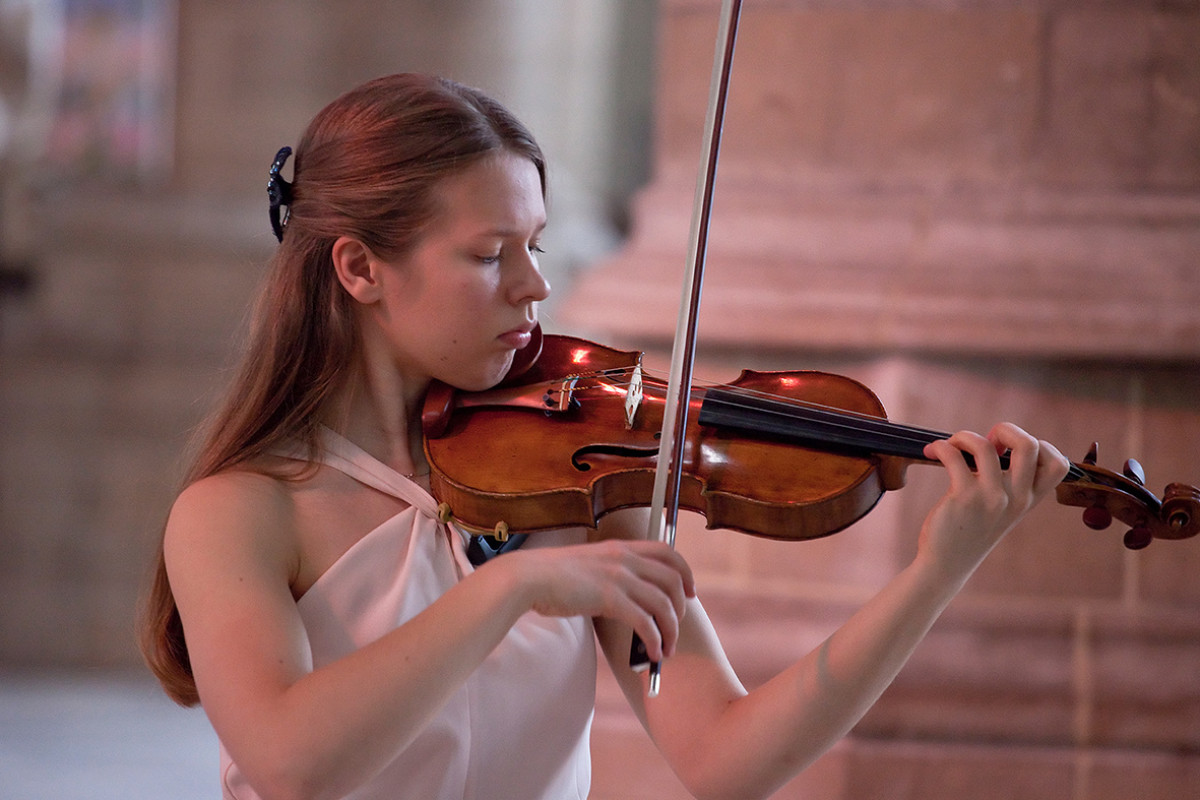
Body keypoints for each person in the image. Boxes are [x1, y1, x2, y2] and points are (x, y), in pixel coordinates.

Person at [139, 73, 1070, 800]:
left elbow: (726, 758)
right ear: (359, 267)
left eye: (536, 244)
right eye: (487, 253)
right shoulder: (238, 512)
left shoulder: (569, 485)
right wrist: (511, 585)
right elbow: (297, 766)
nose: (533, 285)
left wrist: (935, 572)